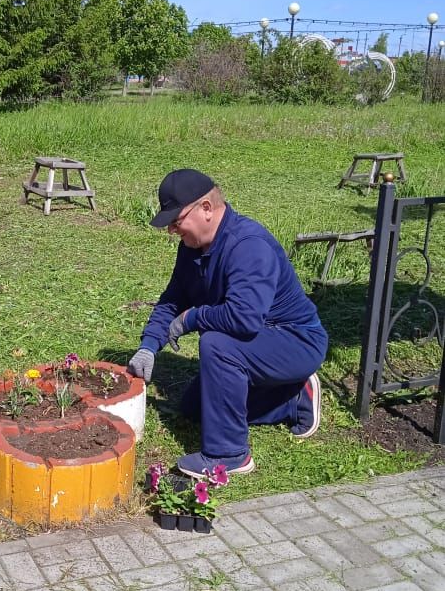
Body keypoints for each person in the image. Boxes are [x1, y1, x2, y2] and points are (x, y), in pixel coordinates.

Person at [127, 169, 327, 477]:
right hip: (259, 341)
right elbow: (173, 299)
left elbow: (244, 319)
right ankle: (292, 401)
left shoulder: (248, 245)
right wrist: (149, 346)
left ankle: (229, 455)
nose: (171, 231)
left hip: (296, 341)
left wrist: (193, 318)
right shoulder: (192, 248)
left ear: (206, 208)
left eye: (176, 220)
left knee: (216, 342)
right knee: (194, 409)